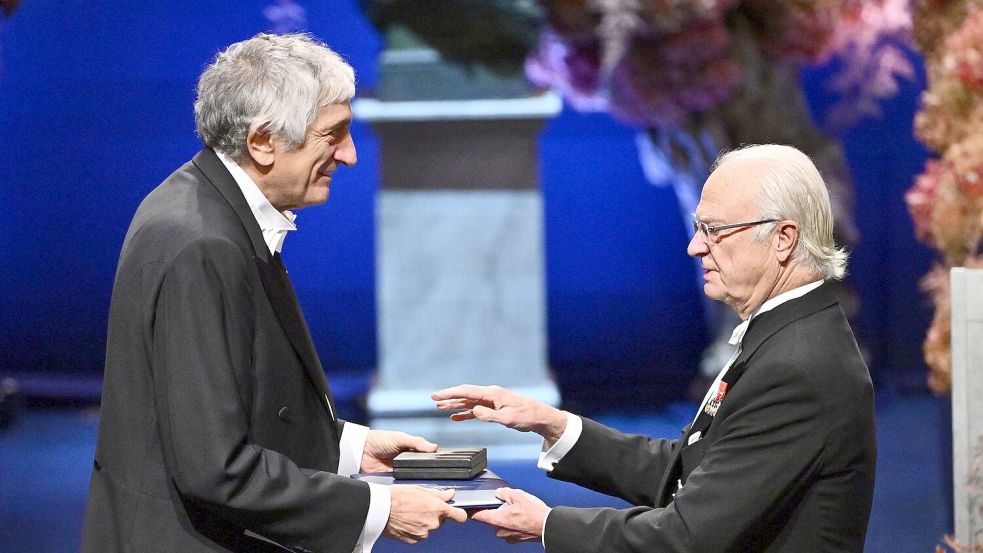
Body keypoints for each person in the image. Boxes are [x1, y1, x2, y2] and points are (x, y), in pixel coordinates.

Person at [81, 33, 466, 553]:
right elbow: (216, 468)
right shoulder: (202, 244)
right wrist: (378, 509)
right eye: (333, 134)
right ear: (263, 141)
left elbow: (244, 405)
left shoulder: (207, 206)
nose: (350, 155)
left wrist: (350, 448)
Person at [433, 144, 876, 552]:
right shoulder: (788, 335)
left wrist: (548, 524)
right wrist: (553, 424)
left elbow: (687, 537)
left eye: (714, 230)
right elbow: (690, 470)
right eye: (699, 227)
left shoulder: (795, 366)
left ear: (783, 238)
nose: (695, 246)